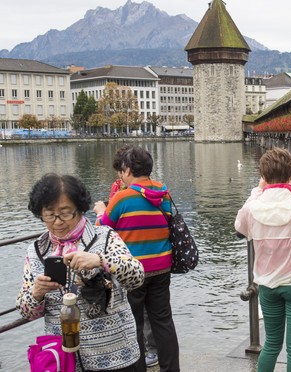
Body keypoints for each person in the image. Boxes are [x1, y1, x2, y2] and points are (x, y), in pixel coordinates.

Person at [17, 173, 144, 371]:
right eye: (49, 214)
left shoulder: (106, 237)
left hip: (115, 354)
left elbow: (137, 276)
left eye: (65, 213)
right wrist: (37, 292)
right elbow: (26, 311)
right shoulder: (37, 251)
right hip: (65, 359)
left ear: (80, 209)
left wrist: (101, 261)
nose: (57, 221)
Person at [234, 148, 291, 372]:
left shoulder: (252, 208)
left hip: (268, 284)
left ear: (263, 177)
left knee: (272, 344)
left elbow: (240, 225)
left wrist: (258, 190)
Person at [93, 145, 180, 372]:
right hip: (162, 266)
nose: (120, 175)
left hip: (132, 271)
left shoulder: (122, 197)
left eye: (122, 170)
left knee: (135, 324)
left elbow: (102, 229)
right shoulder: (163, 191)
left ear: (129, 169)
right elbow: (169, 220)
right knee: (163, 321)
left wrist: (101, 211)